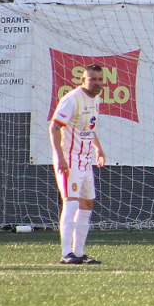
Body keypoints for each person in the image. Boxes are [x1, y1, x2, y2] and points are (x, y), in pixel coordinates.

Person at [50, 64, 106, 265]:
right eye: (93, 79)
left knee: (87, 203)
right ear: (83, 80)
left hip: (85, 160)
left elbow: (89, 128)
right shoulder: (71, 99)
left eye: (100, 79)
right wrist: (60, 157)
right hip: (69, 158)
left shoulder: (95, 99)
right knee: (71, 202)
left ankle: (80, 253)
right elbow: (55, 127)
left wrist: (97, 148)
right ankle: (67, 254)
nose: (97, 83)